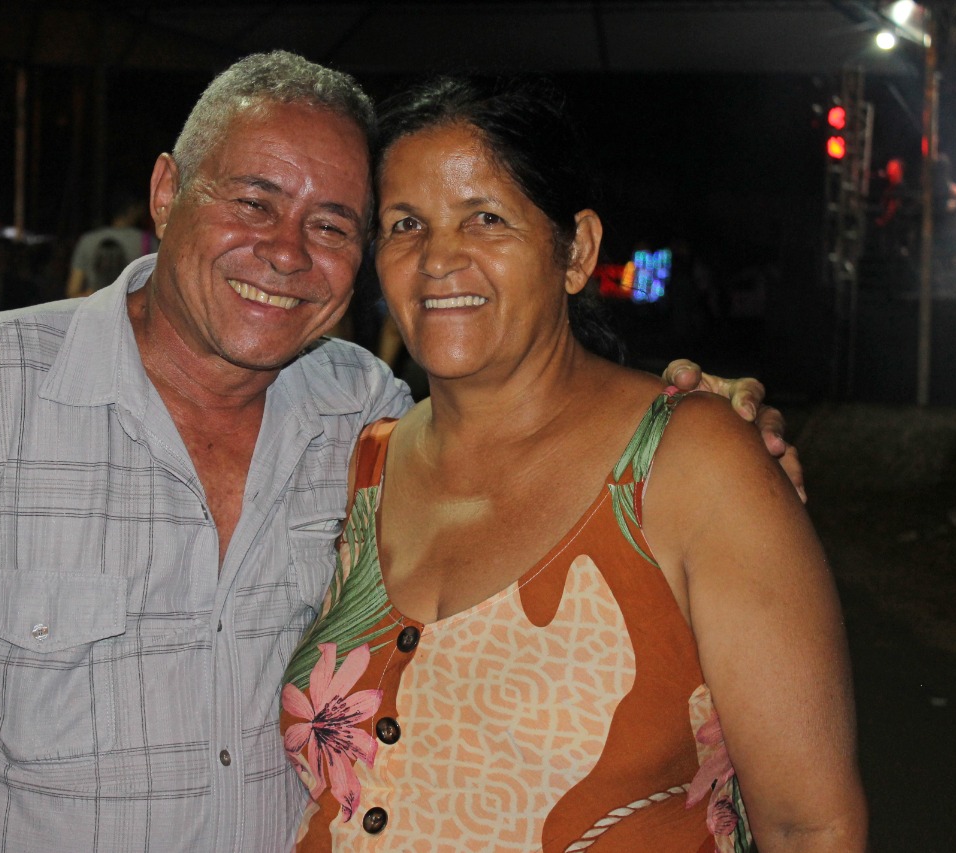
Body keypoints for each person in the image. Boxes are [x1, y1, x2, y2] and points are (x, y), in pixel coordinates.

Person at [0, 53, 797, 852]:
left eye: (334, 224)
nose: (285, 252)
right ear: (167, 193)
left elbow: (525, 441)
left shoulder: (361, 415)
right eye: (253, 201)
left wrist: (714, 430)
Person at [279, 76, 865, 851]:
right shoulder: (363, 462)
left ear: (577, 250)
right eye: (405, 224)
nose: (437, 259)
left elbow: (809, 824)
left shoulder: (690, 464)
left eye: (484, 218)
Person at [66, 188, 159, 298]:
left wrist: (95, 297)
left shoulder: (88, 241)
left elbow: (72, 292)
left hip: (95, 308)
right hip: (131, 309)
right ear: (132, 209)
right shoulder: (147, 241)